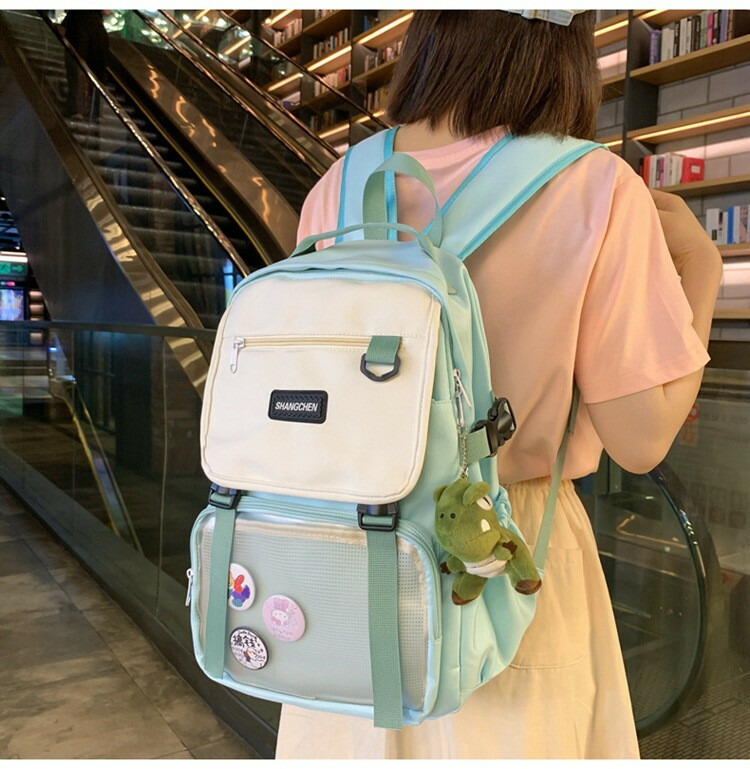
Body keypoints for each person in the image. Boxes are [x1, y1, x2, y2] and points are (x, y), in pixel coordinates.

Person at [275, 10, 723, 760]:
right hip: (503, 547)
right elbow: (642, 439)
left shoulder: (339, 185)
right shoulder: (594, 185)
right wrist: (702, 272)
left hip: (344, 557)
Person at [62, 10, 110, 119]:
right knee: (96, 69)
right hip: (95, 27)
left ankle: (75, 108)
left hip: (77, 23)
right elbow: (107, 11)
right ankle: (94, 110)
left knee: (76, 64)